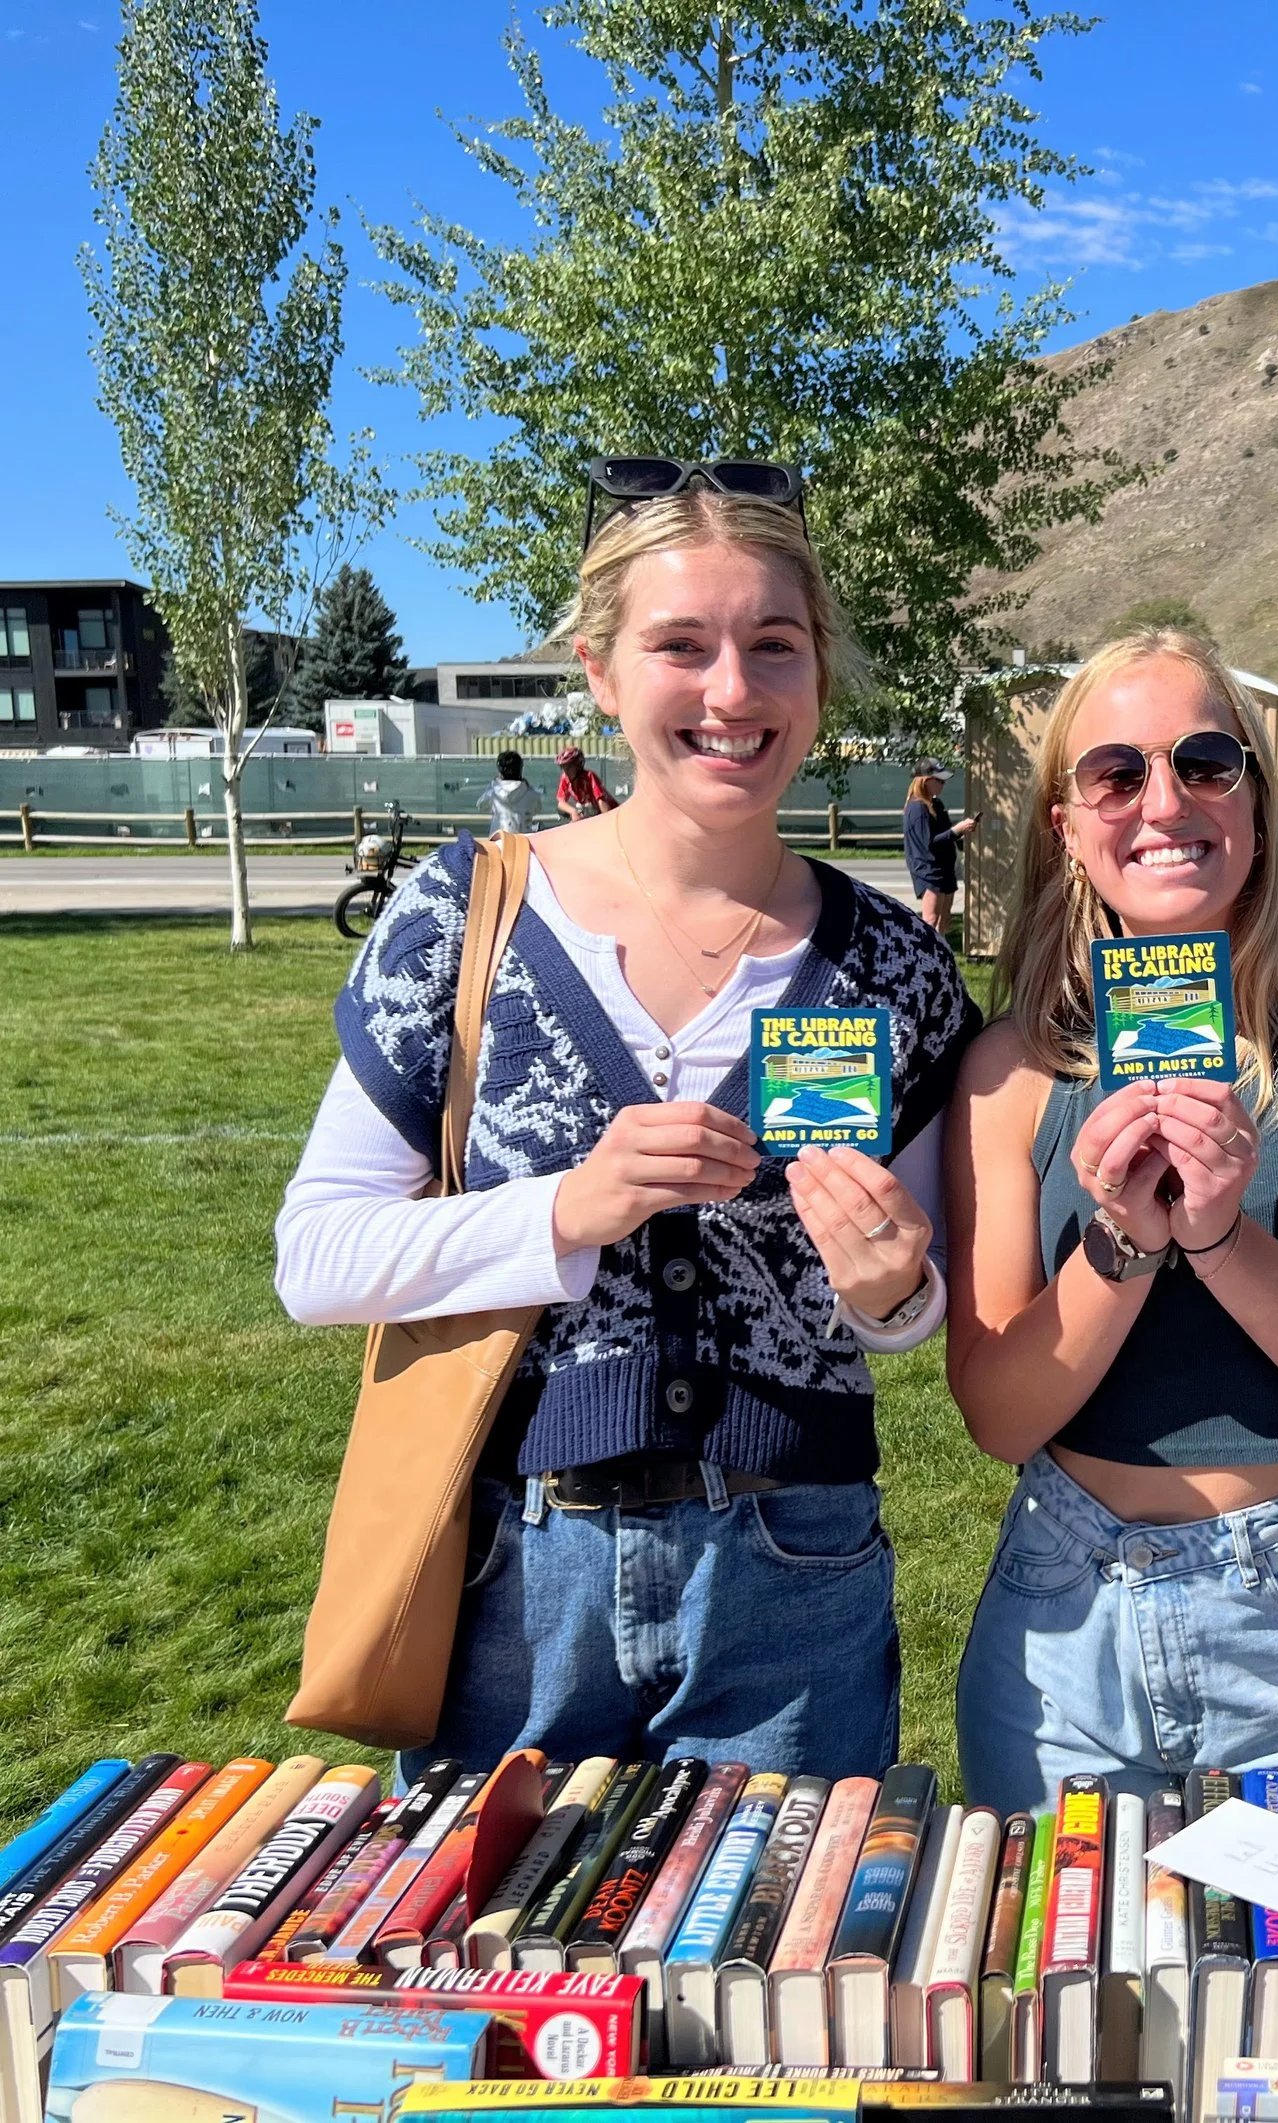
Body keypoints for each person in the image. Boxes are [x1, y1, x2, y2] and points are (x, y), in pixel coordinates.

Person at [276, 463, 978, 1784]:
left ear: (819, 675)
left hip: (797, 1564)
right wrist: (566, 1209)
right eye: (681, 646)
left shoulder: (895, 967)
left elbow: (912, 1298)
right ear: (600, 671)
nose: (732, 691)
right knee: (498, 1967)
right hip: (513, 1574)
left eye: (775, 645)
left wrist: (892, 1285)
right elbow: (314, 1258)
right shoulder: (461, 919)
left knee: (774, 1974)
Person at [946, 627, 1278, 1814]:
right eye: (1116, 773)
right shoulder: (1007, 1074)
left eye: (1206, 760)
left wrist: (1227, 1239)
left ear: (1257, 804)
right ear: (1063, 824)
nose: (1164, 800)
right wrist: (1122, 1245)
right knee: (1073, 2002)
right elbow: (997, 1412)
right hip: (1059, 1625)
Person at [902, 756, 979, 934]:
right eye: (939, 781)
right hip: (929, 871)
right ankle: (925, 956)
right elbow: (929, 843)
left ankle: (941, 956)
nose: (943, 785)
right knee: (931, 920)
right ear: (926, 781)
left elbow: (944, 835)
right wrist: (957, 830)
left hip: (945, 868)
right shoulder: (917, 808)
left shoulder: (936, 804)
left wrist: (959, 831)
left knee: (944, 920)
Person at [481, 750, 542, 835]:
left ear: (500, 770)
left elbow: (481, 806)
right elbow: (537, 809)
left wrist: (493, 784)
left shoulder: (493, 793)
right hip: (523, 840)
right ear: (520, 769)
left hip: (499, 840)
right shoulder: (531, 793)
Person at [554, 744, 616, 821]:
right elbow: (561, 803)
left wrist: (608, 820)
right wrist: (573, 812)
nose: (566, 770)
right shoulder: (565, 778)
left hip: (609, 810)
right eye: (563, 767)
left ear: (577, 764)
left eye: (569, 766)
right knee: (562, 811)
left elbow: (601, 801)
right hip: (591, 811)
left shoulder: (589, 776)